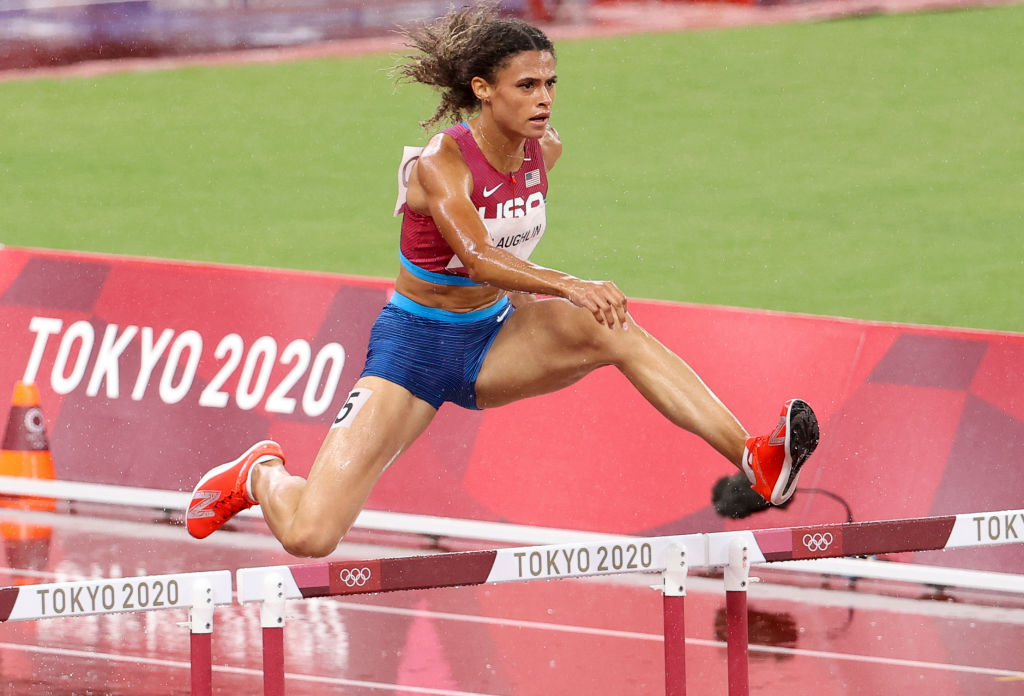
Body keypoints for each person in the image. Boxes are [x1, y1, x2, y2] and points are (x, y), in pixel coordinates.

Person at [185, 4, 819, 557]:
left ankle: (754, 458)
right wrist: (568, 284)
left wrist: (538, 302)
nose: (544, 98)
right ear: (484, 89)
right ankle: (260, 473)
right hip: (413, 350)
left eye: (550, 83)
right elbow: (481, 255)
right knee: (310, 537)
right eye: (526, 85)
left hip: (493, 338)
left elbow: (507, 256)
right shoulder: (442, 162)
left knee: (613, 329)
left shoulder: (546, 154)